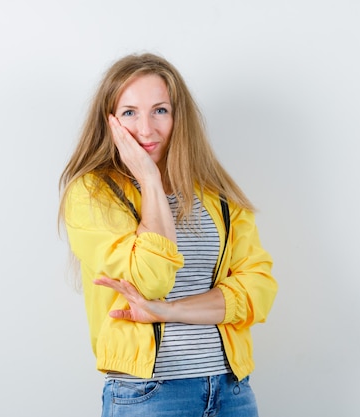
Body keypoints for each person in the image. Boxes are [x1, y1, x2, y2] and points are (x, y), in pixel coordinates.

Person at [58, 52, 277, 417]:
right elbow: (151, 278)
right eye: (129, 113)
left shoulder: (217, 195)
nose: (146, 129)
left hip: (230, 389)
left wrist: (169, 310)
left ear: (179, 117)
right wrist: (149, 179)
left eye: (160, 110)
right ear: (109, 121)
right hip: (149, 394)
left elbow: (258, 290)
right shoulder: (92, 193)